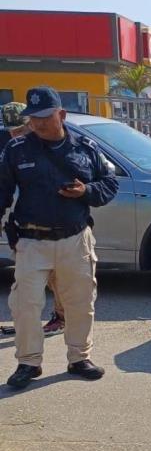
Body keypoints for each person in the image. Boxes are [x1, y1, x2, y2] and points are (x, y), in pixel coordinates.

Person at [0, 86, 119, 389]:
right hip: (31, 240)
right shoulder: (17, 149)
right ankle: (28, 362)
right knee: (24, 304)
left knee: (80, 302)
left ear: (61, 114)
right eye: (33, 118)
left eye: (44, 117)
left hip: (74, 239)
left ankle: (79, 358)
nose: (38, 123)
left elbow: (109, 184)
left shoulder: (86, 148)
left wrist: (86, 192)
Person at [0, 103, 66, 336]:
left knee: (57, 278)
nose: (15, 135)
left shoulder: (52, 145)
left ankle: (61, 316)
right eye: (11, 131)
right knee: (26, 281)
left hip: (58, 227)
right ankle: (25, 325)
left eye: (20, 129)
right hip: (23, 228)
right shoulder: (12, 149)